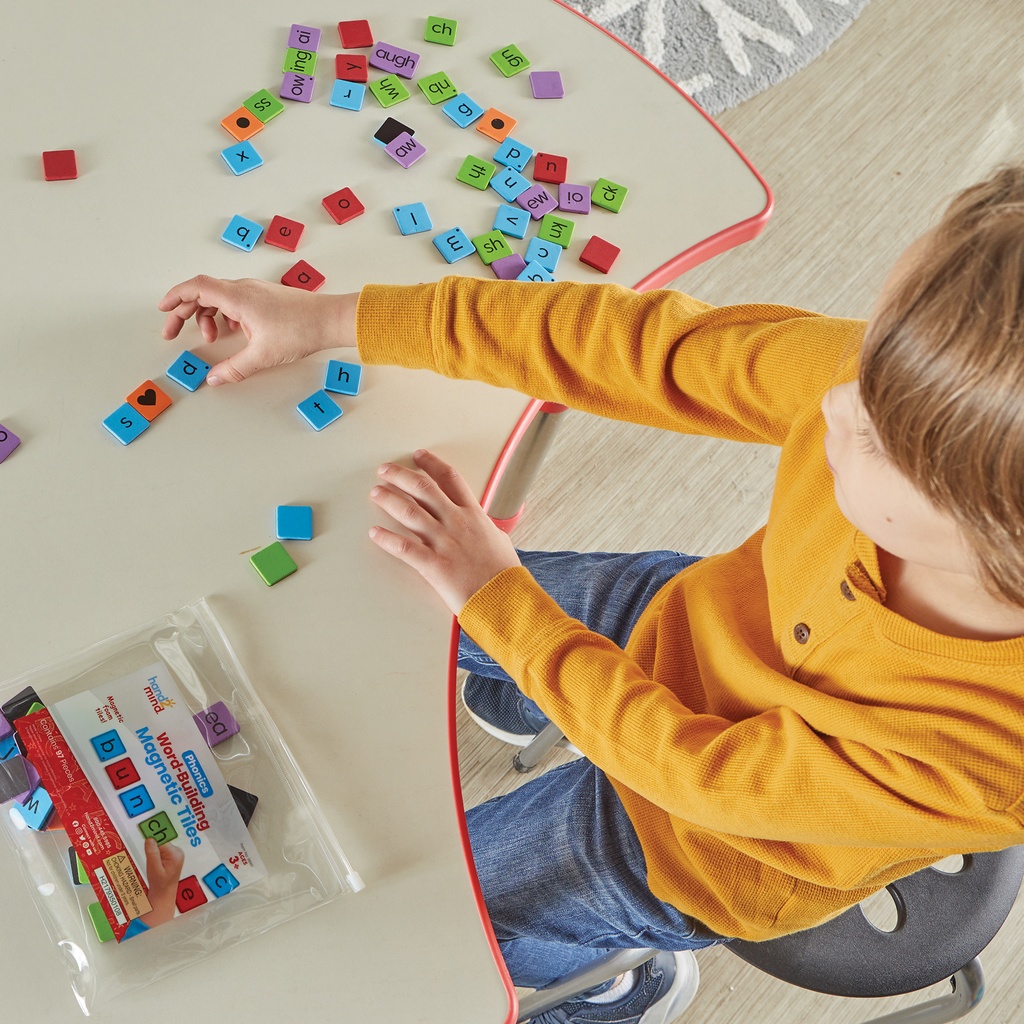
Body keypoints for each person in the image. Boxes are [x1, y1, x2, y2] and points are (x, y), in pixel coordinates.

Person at [158, 165, 1024, 1024]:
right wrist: (332, 319)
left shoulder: (993, 750)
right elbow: (646, 348)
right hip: (689, 622)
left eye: (871, 437)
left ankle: (613, 983)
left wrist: (500, 601)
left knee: (455, 915)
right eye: (867, 351)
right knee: (394, 578)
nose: (833, 399)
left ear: (993, 541)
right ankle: (534, 697)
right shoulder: (897, 389)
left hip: (701, 843)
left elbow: (700, 776)